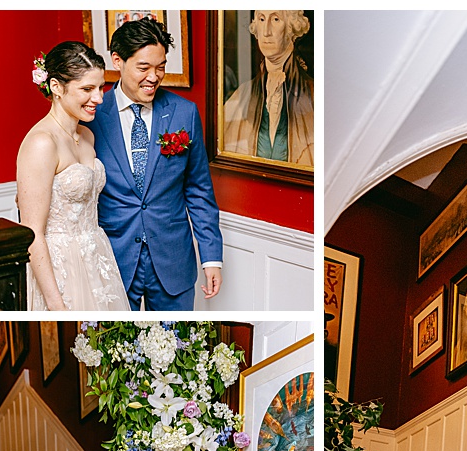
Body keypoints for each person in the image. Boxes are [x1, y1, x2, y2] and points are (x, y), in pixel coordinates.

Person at [91, 16, 223, 310]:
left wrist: (211, 257)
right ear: (117, 61)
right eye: (143, 68)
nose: (153, 77)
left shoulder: (184, 113)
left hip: (173, 261)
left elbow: (199, 189)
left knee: (177, 350)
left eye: (160, 67)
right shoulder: (93, 116)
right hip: (114, 259)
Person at [15, 41, 129, 311]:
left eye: (101, 87)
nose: (99, 98)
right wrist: (57, 306)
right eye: (87, 89)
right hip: (60, 269)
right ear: (56, 87)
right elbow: (33, 233)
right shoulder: (42, 143)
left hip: (97, 260)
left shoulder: (86, 136)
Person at [221, 10, 313, 167]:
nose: (266, 32)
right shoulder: (241, 94)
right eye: (262, 19)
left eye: (276, 19)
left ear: (292, 27)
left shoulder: (315, 95)